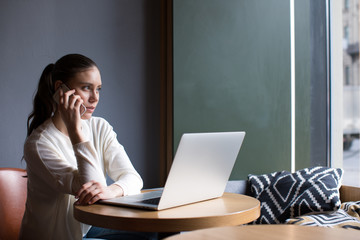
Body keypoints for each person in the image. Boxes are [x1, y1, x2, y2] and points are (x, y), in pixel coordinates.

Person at [20, 54, 154, 240]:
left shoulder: (100, 126)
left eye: (98, 89)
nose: (95, 98)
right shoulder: (39, 144)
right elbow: (89, 188)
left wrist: (111, 190)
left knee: (155, 232)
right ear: (61, 89)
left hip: (86, 227)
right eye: (86, 88)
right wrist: (76, 131)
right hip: (61, 236)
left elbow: (133, 178)